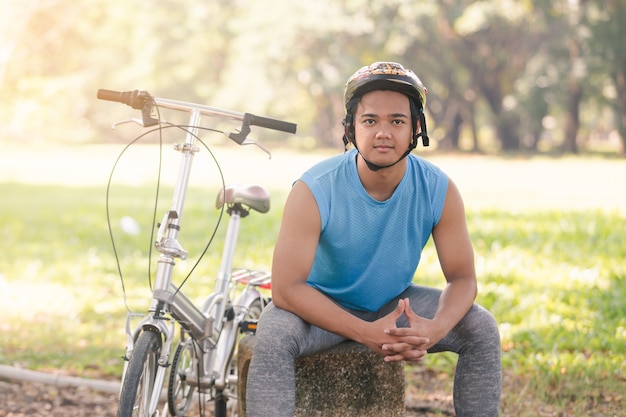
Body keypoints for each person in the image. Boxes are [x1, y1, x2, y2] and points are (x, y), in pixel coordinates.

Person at [245, 62, 502, 416]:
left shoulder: (438, 189)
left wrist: (434, 328)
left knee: (480, 326)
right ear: (351, 128)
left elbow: (463, 278)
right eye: (370, 121)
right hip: (319, 308)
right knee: (273, 332)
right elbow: (287, 289)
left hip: (391, 305)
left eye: (397, 121)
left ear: (416, 128)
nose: (383, 132)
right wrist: (366, 333)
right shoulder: (314, 189)